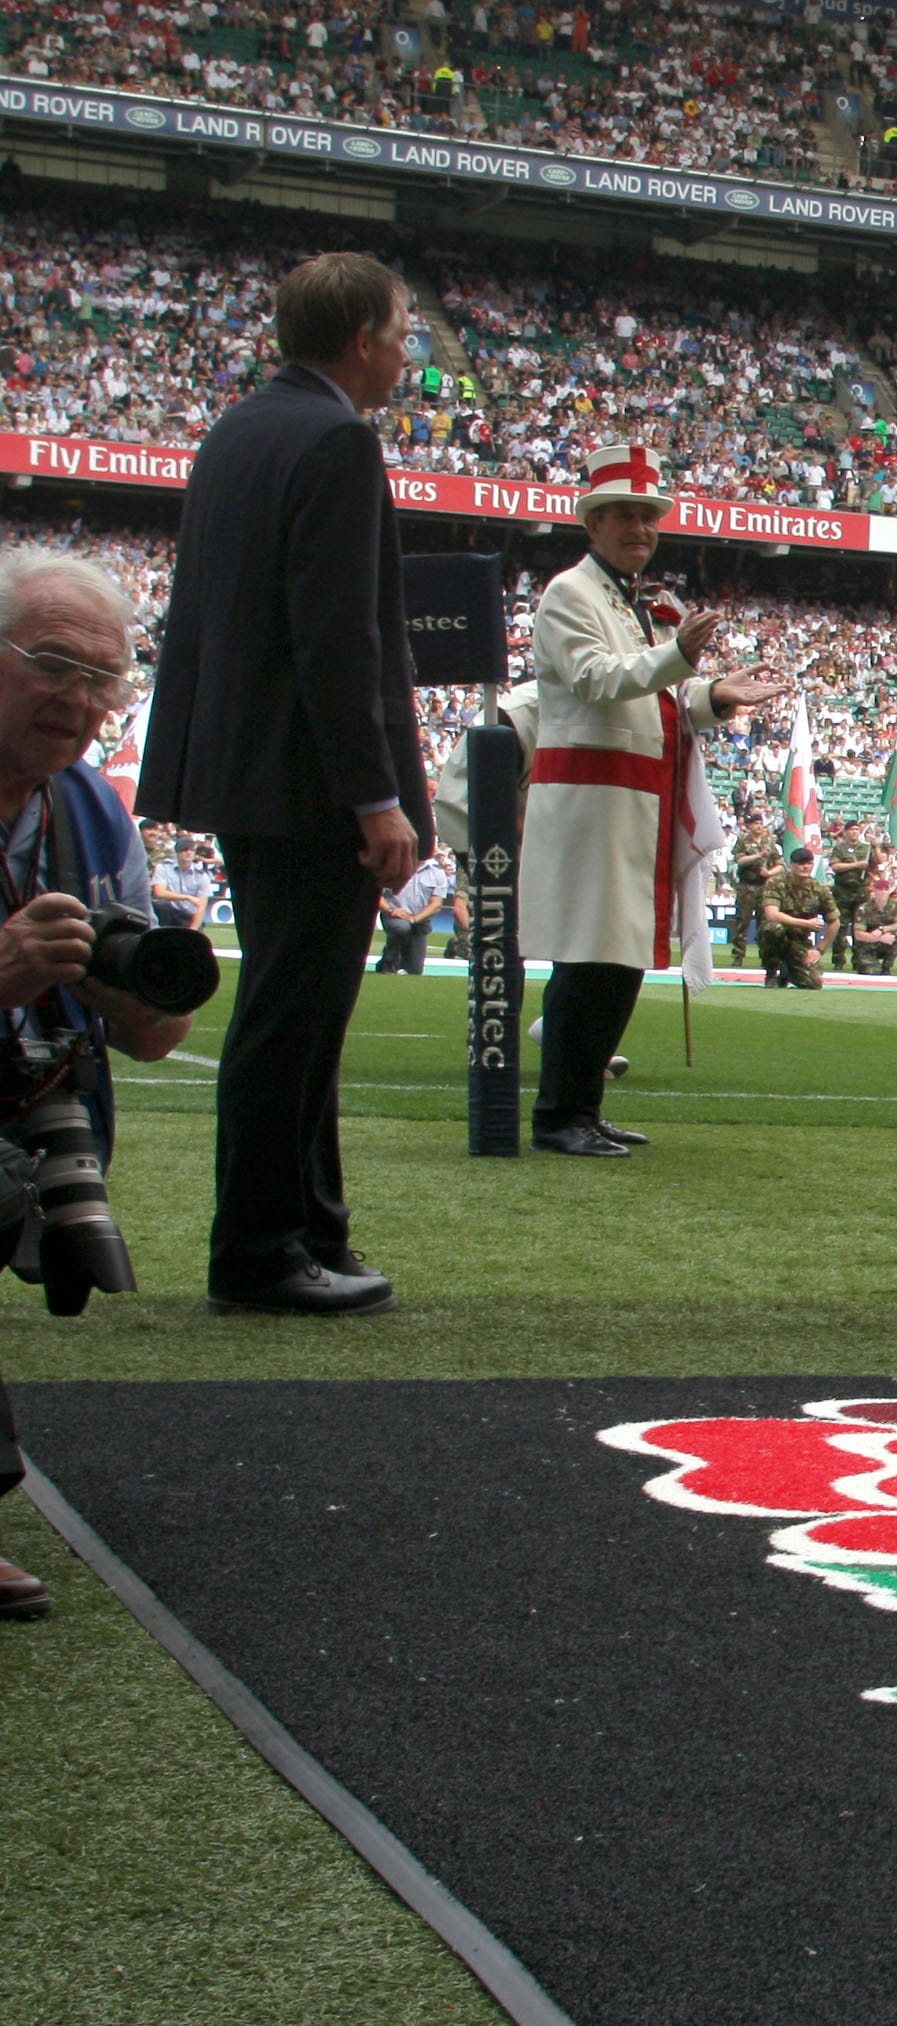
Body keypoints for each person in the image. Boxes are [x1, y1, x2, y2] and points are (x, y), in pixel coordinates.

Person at [135, 251, 430, 1317]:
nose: (407, 352)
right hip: (309, 785)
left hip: (243, 771)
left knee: (293, 1010)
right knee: (291, 1020)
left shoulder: (240, 428)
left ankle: (310, 1226)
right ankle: (262, 1248)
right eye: (401, 331)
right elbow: (338, 639)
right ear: (359, 337)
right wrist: (377, 794)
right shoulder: (338, 440)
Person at [0, 549, 199, 1611]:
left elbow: (155, 1039)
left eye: (104, 681)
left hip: (36, 1098)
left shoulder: (87, 808)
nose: (78, 702)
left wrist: (141, 988)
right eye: (50, 665)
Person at [518, 447, 788, 1157]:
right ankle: (558, 1115)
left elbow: (656, 698)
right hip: (596, 796)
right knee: (590, 954)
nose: (641, 528)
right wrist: (681, 661)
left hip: (633, 796)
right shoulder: (570, 594)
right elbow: (597, 680)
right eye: (626, 516)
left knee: (622, 955)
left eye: (649, 517)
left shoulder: (636, 602)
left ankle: (582, 1106)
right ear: (595, 524)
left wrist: (710, 695)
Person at [760, 846, 831, 988]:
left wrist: (820, 950)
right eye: (801, 864)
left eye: (809, 863)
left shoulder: (819, 889)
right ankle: (772, 972)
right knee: (773, 928)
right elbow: (772, 914)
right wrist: (805, 923)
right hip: (779, 935)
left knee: (814, 983)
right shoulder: (776, 883)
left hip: (800, 941)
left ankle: (788, 972)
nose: (805, 867)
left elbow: (835, 921)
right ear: (791, 865)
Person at [374, 846, 452, 974]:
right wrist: (391, 910)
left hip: (420, 921)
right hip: (394, 915)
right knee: (401, 928)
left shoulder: (437, 871)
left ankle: (393, 960)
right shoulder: (394, 865)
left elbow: (436, 904)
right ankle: (388, 961)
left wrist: (415, 918)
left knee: (414, 970)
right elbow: (377, 895)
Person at [728, 829, 771, 970]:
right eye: (756, 824)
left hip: (764, 887)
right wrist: (759, 855)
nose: (758, 827)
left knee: (765, 924)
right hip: (747, 886)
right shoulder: (743, 841)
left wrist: (769, 872)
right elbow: (740, 861)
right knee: (742, 922)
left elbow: (781, 865)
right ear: (751, 825)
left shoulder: (768, 842)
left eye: (760, 824)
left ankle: (766, 956)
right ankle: (738, 956)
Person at [847, 879, 897, 975]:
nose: (883, 892)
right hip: (867, 946)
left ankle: (887, 966)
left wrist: (882, 929)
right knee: (871, 972)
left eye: (885, 889)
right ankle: (868, 964)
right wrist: (879, 938)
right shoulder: (864, 908)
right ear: (874, 890)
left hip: (886, 942)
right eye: (880, 889)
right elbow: (858, 934)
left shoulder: (896, 906)